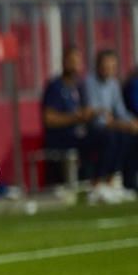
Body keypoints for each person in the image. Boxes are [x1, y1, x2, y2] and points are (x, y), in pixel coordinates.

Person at [83, 50, 138, 200]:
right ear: (98, 66)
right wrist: (121, 125)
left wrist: (132, 122)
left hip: (111, 126)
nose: (109, 69)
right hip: (91, 130)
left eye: (112, 66)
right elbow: (98, 118)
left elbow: (120, 111)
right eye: (106, 65)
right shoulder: (89, 83)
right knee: (112, 137)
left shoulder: (113, 84)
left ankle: (123, 183)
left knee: (131, 137)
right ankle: (98, 183)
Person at [41, 47, 95, 185]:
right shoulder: (55, 86)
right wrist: (75, 118)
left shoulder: (79, 86)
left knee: (106, 137)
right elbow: (49, 119)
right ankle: (90, 183)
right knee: (94, 141)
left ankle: (103, 181)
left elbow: (85, 110)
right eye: (71, 61)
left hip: (78, 135)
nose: (75, 65)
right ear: (64, 62)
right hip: (60, 138)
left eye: (77, 62)